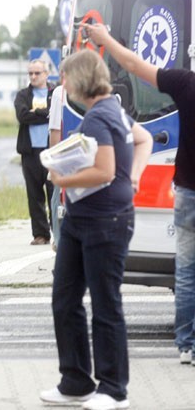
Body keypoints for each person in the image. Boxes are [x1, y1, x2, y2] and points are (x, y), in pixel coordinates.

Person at [40, 49, 152, 410]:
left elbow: (103, 172)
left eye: (67, 77)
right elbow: (144, 140)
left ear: (82, 80)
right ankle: (75, 381)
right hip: (82, 219)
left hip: (105, 221)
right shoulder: (112, 110)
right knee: (65, 299)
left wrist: (63, 177)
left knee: (106, 305)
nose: (63, 84)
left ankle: (114, 389)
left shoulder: (100, 117)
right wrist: (133, 177)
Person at [87, 22, 195, 367]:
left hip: (189, 193)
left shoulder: (186, 83)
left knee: (188, 271)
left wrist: (104, 40)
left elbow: (133, 66)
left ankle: (188, 345)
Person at [14, 59, 55, 246]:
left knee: (54, 192)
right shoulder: (23, 94)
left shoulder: (55, 92)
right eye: (30, 73)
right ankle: (41, 234)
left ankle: (59, 232)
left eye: (37, 73)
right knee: (34, 193)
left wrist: (36, 112)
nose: (33, 76)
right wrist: (45, 114)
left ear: (46, 74)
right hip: (30, 151)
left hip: (52, 150)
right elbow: (22, 116)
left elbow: (56, 113)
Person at [48, 77, 67, 250]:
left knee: (58, 202)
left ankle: (59, 245)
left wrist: (53, 162)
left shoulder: (60, 93)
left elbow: (55, 130)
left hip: (64, 160)